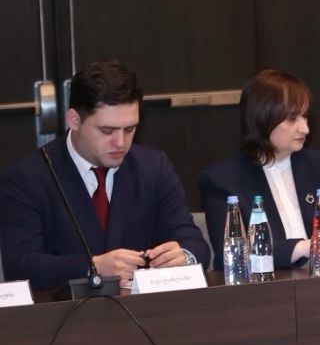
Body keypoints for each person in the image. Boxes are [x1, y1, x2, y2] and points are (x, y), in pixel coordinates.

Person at [0, 60, 209, 290]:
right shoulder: (27, 177)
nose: (120, 143)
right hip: (63, 309)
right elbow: (20, 266)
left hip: (141, 308)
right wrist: (93, 267)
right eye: (107, 131)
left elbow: (195, 244)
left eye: (130, 129)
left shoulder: (153, 167)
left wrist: (184, 257)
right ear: (74, 120)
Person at [199, 68, 320, 272]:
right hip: (268, 287)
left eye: (305, 117)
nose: (305, 129)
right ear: (262, 118)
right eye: (292, 119)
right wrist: (302, 248)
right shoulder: (222, 180)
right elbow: (230, 255)